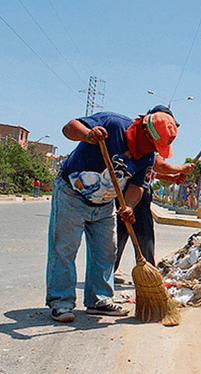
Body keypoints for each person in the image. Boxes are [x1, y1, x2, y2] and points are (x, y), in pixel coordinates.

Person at [46, 107, 179, 323]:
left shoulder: (146, 157)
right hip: (72, 193)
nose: (154, 151)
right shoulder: (112, 124)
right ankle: (61, 302)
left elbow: (138, 186)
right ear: (144, 132)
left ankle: (99, 300)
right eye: (154, 145)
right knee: (64, 248)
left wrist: (128, 206)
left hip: (104, 203)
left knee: (106, 251)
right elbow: (69, 128)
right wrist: (87, 135)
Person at [114, 106, 195, 277]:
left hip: (136, 191)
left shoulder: (150, 145)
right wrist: (180, 168)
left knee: (124, 233)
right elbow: (158, 164)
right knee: (142, 235)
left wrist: (172, 178)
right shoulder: (143, 140)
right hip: (133, 193)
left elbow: (152, 171)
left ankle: (116, 270)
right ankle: (148, 273)